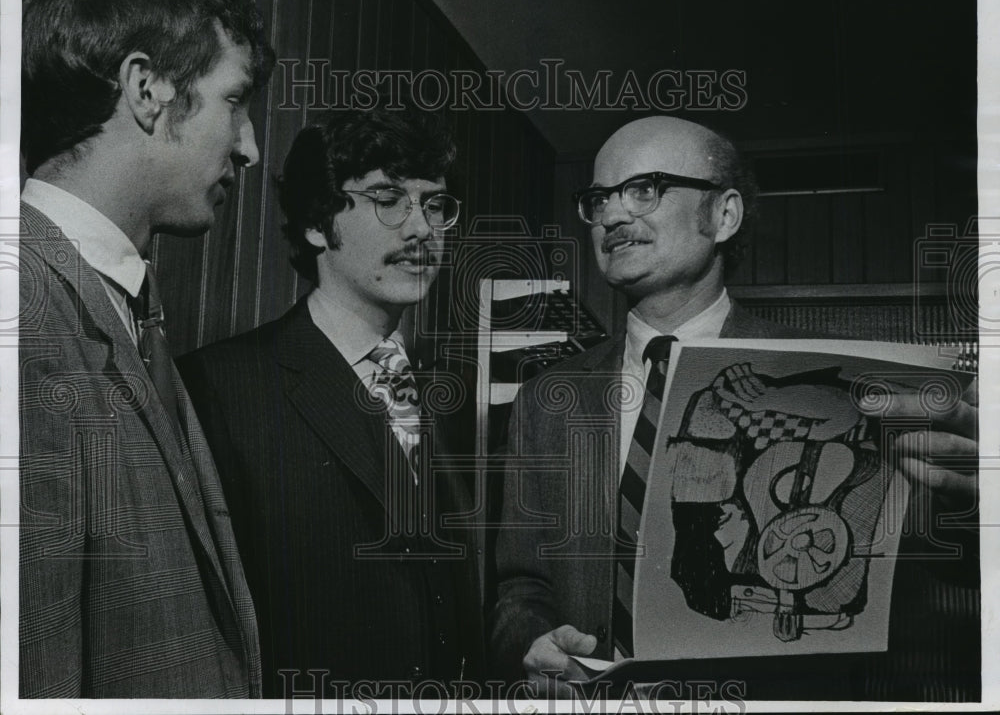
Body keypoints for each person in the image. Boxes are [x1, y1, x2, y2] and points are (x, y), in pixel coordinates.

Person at [489, 116, 979, 700]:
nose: (614, 216)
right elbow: (519, 587)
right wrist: (534, 644)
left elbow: (947, 563)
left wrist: (970, 496)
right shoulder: (548, 399)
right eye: (599, 198)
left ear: (724, 214)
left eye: (645, 188)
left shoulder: (839, 381)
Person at [19, 0, 275, 698]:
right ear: (147, 89)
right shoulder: (23, 315)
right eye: (235, 100)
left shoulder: (120, 307)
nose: (251, 145)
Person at [177, 105, 485, 698]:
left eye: (434, 204)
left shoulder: (449, 395)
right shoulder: (219, 388)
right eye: (388, 199)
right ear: (319, 223)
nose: (421, 229)